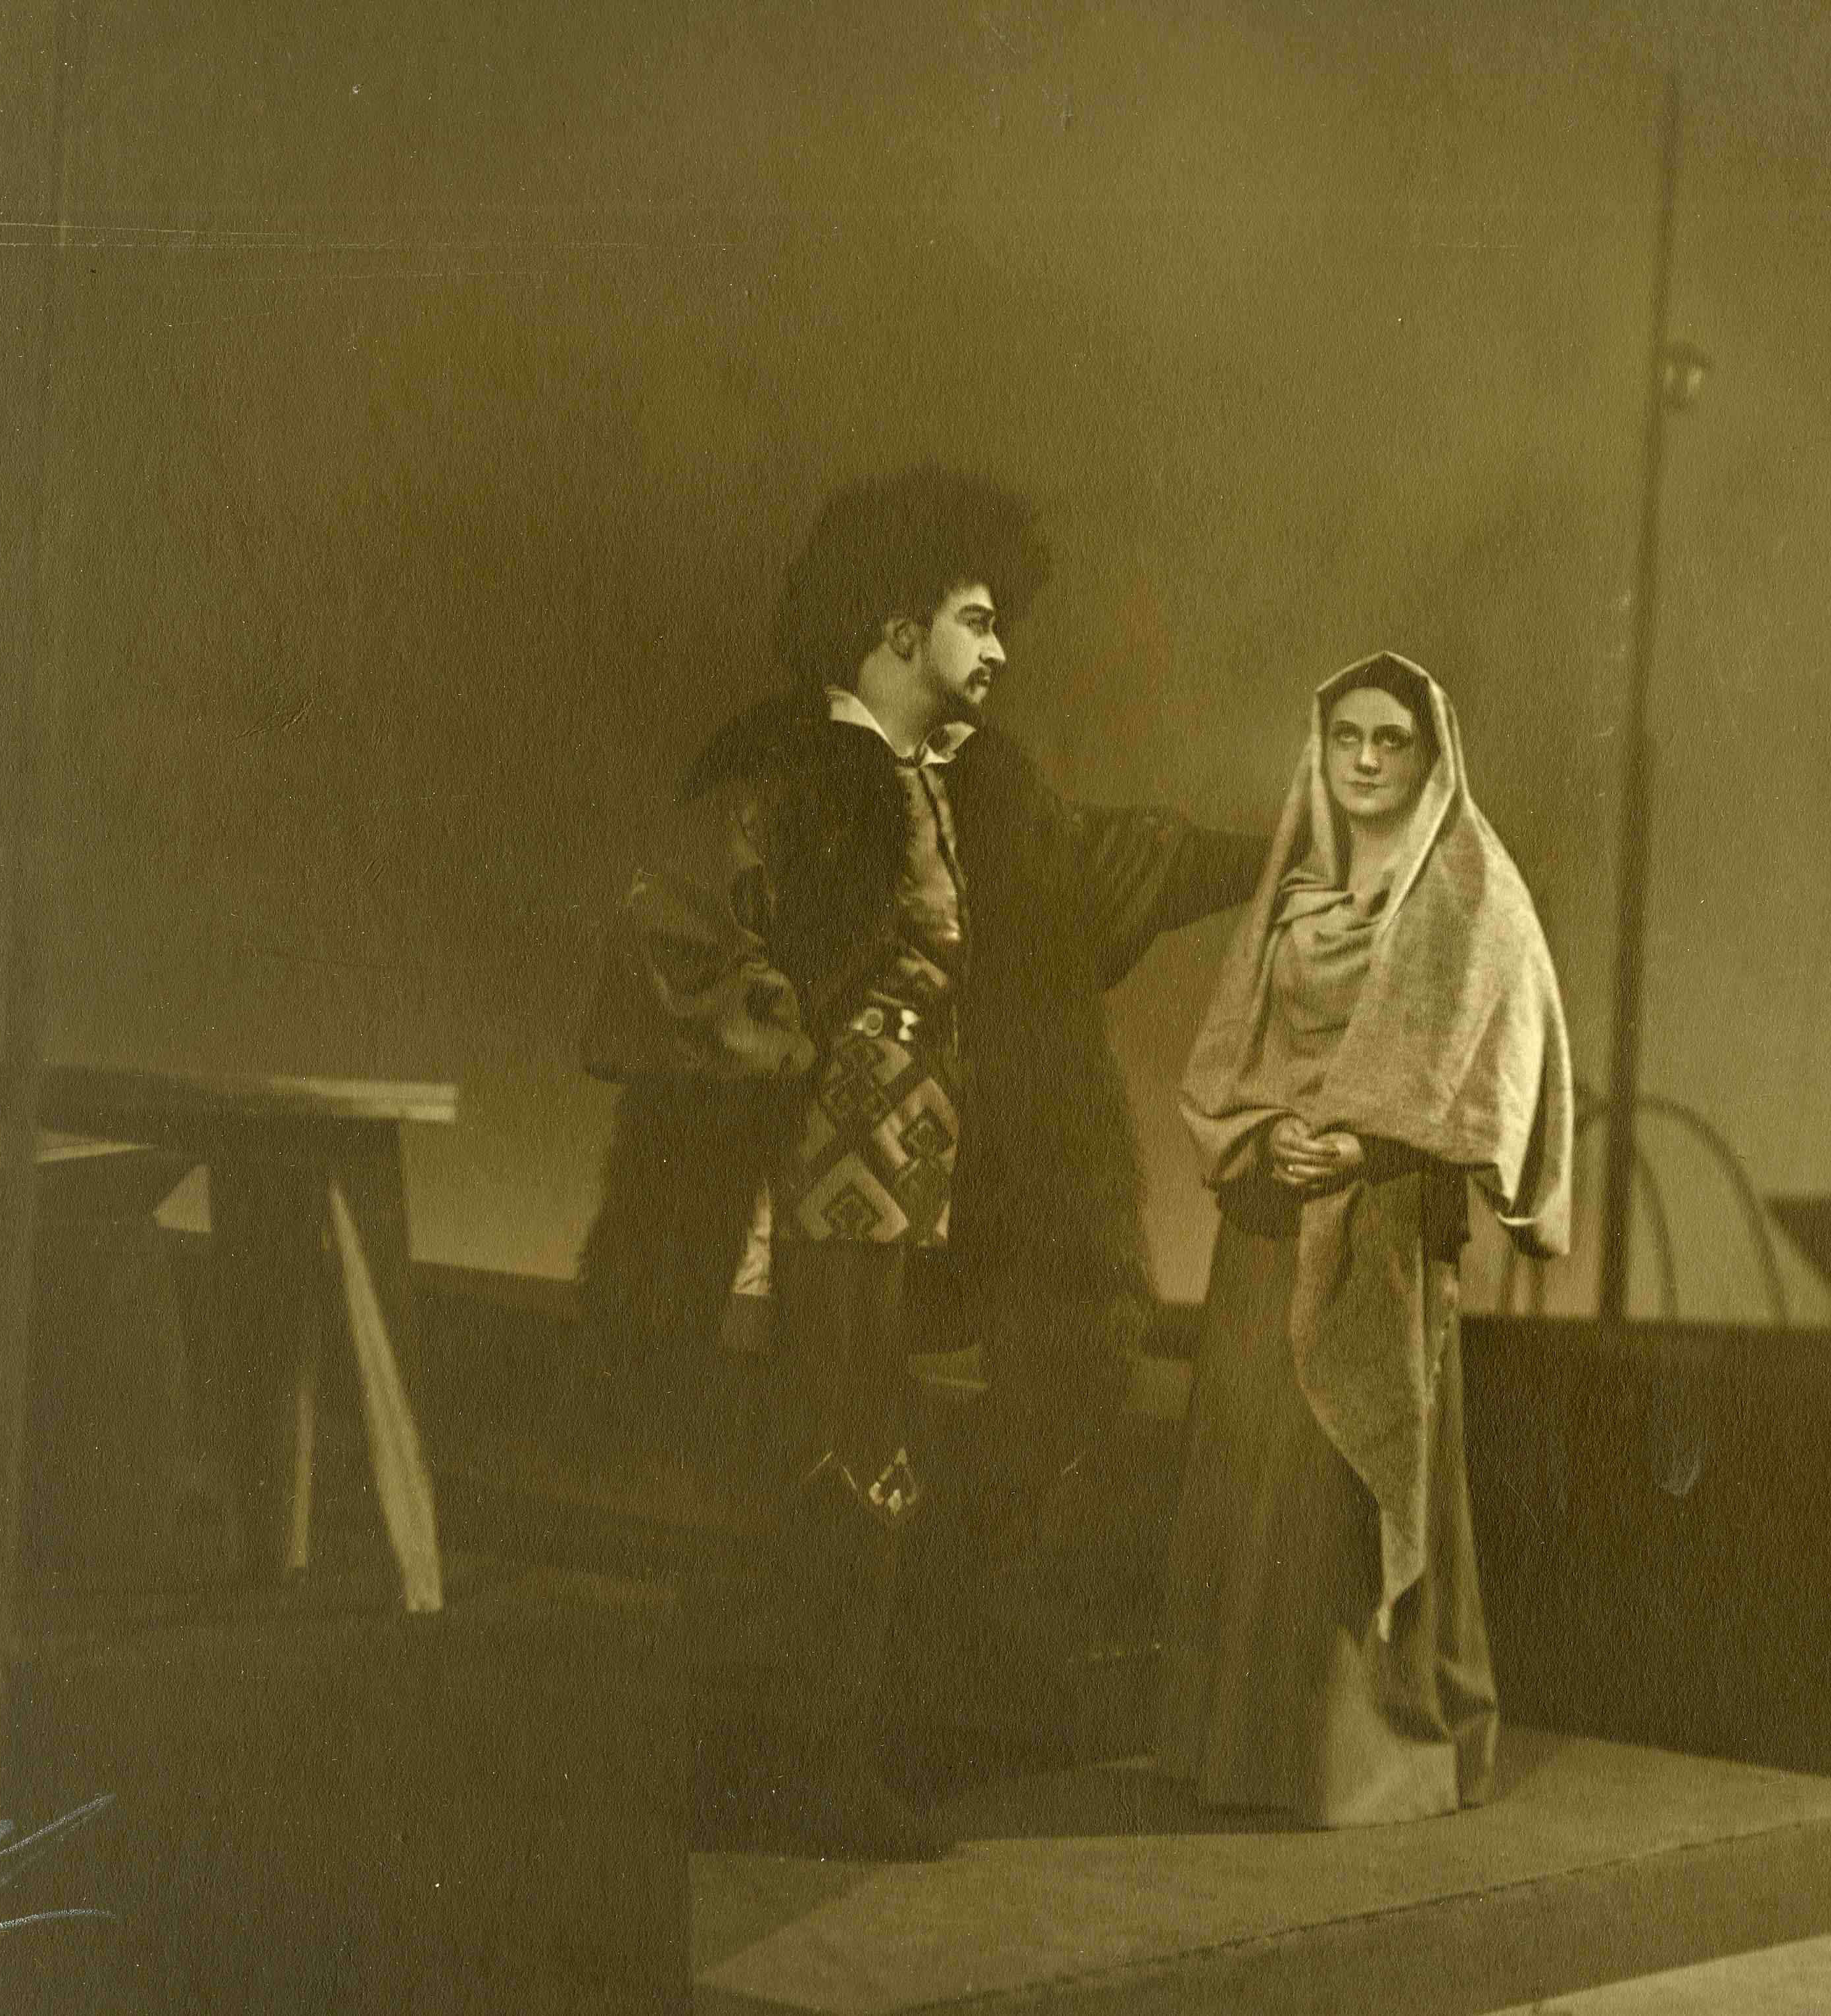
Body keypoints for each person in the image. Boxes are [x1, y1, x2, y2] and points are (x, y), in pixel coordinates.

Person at [579, 467, 1263, 1858]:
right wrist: (777, 1019)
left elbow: (1106, 868)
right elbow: (679, 950)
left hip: (939, 1164)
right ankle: (800, 1768)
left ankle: (886, 1725)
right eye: (978, 617)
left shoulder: (983, 789)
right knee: (835, 1431)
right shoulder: (775, 779)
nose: (1001, 648)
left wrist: (1282, 853)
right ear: (897, 626)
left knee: (993, 1384)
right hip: (812, 1157)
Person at [1165, 650, 1573, 1827]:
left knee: (1341, 1486)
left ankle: (1358, 1756)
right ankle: (1243, 1750)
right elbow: (1228, 1054)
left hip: (1386, 1230)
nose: (1365, 760)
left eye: (1391, 740)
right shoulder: (1296, 892)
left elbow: (1501, 1066)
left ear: (1431, 755)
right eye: (1347, 737)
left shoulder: (1472, 895)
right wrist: (1266, 1135)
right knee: (1257, 1474)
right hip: (1270, 1225)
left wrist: (1371, 1142)